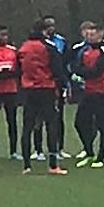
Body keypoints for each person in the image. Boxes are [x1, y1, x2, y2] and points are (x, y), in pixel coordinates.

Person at [19, 19, 69, 175]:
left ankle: (27, 165)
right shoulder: (48, 47)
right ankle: (53, 164)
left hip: (28, 90)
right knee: (51, 124)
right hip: (46, 89)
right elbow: (57, 69)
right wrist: (61, 87)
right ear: (44, 32)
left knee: (28, 126)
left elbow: (18, 68)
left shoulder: (23, 47)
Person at [72, 22, 104, 168]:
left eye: (92, 34)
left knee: (103, 125)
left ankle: (100, 157)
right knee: (79, 123)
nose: (89, 37)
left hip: (102, 93)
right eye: (88, 34)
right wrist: (84, 72)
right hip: (88, 92)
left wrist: (84, 72)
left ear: (100, 34)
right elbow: (76, 67)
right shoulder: (85, 51)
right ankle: (89, 152)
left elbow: (96, 71)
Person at [32, 15, 71, 159]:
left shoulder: (61, 41)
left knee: (57, 117)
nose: (51, 28)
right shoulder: (37, 43)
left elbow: (65, 64)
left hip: (57, 84)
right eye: (48, 25)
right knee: (38, 118)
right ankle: (38, 150)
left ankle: (58, 148)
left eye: (53, 25)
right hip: (41, 84)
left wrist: (65, 83)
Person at [0, 25, 22, 160]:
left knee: (12, 121)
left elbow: (19, 70)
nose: (4, 37)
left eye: (6, 35)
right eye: (1, 35)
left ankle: (13, 151)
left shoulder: (13, 51)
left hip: (11, 89)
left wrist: (11, 74)